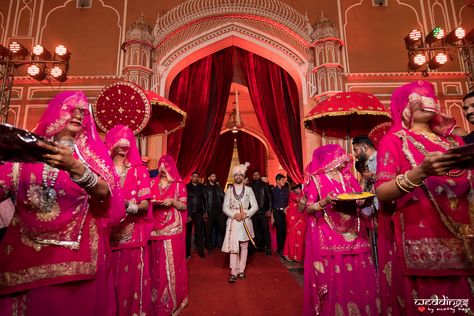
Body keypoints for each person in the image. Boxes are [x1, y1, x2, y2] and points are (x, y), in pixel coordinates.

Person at [0, 91, 124, 315]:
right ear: (56, 111)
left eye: (83, 112)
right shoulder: (28, 153)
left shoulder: (92, 157)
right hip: (25, 261)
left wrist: (76, 168)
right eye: (71, 109)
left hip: (78, 262)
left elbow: (106, 196)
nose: (78, 114)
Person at [375, 80, 474, 314]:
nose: (424, 100)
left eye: (428, 95)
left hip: (464, 239)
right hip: (423, 239)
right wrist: (420, 173)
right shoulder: (396, 140)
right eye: (416, 97)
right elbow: (382, 191)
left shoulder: (453, 142)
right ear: (405, 106)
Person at [303, 144, 379, 316]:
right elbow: (308, 208)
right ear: (329, 159)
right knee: (335, 273)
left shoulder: (348, 177)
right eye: (339, 156)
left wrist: (365, 201)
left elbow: (359, 197)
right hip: (329, 233)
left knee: (358, 270)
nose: (344, 159)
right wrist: (324, 202)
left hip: (354, 231)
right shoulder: (317, 179)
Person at [105, 125, 152, 316]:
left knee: (129, 282)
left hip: (131, 235)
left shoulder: (139, 170)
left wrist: (129, 207)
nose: (124, 145)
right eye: (119, 140)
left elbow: (145, 206)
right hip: (105, 234)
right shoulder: (102, 169)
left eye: (128, 141)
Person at [149, 155, 188, 315]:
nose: (162, 169)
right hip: (154, 228)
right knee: (155, 262)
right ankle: (154, 297)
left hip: (173, 228)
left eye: (165, 166)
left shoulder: (179, 186)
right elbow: (148, 199)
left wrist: (173, 202)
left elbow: (184, 207)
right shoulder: (152, 183)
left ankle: (173, 298)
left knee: (171, 261)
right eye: (160, 166)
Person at [221, 162, 258, 283]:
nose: (238, 176)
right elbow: (225, 208)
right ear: (233, 176)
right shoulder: (229, 191)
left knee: (244, 246)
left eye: (240, 174)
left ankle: (241, 270)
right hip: (233, 222)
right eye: (236, 174)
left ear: (243, 176)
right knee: (233, 247)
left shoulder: (249, 189)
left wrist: (245, 214)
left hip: (245, 221)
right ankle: (233, 272)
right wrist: (234, 215)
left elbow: (255, 206)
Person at [250, 170, 272, 255]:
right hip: (253, 213)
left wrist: (269, 210)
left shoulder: (265, 185)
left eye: (257, 175)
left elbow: (270, 198)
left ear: (259, 175)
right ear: (252, 176)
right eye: (254, 175)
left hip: (263, 212)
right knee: (255, 231)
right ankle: (258, 247)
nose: (256, 176)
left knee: (265, 230)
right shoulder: (250, 186)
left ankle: (268, 248)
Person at [282, 184, 306, 262]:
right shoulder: (292, 194)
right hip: (292, 216)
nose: (297, 190)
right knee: (291, 234)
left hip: (301, 217)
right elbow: (300, 201)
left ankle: (299, 256)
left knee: (300, 235)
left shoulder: (302, 193)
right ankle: (287, 254)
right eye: (295, 189)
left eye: (298, 189)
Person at [186, 172, 206, 258]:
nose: (195, 178)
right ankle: (187, 253)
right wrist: (187, 214)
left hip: (199, 212)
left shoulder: (202, 187)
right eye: (194, 176)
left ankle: (200, 251)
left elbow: (205, 200)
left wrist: (205, 212)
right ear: (191, 177)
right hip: (189, 213)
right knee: (188, 233)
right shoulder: (186, 186)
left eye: (197, 177)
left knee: (199, 232)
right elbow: (184, 201)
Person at [203, 172, 225, 249]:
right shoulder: (205, 188)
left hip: (219, 212)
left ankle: (223, 245)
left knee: (223, 228)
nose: (214, 178)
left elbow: (223, 197)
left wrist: (221, 189)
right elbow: (204, 200)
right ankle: (208, 247)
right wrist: (205, 212)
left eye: (215, 176)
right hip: (209, 212)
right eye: (213, 176)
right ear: (209, 178)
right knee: (208, 230)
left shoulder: (218, 187)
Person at [271, 173, 289, 256]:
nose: (284, 182)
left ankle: (286, 248)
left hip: (286, 212)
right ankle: (280, 248)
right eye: (282, 180)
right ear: (277, 181)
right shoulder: (272, 191)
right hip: (276, 212)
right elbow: (271, 204)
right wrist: (272, 216)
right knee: (279, 230)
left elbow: (289, 201)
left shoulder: (286, 190)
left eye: (284, 180)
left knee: (285, 229)